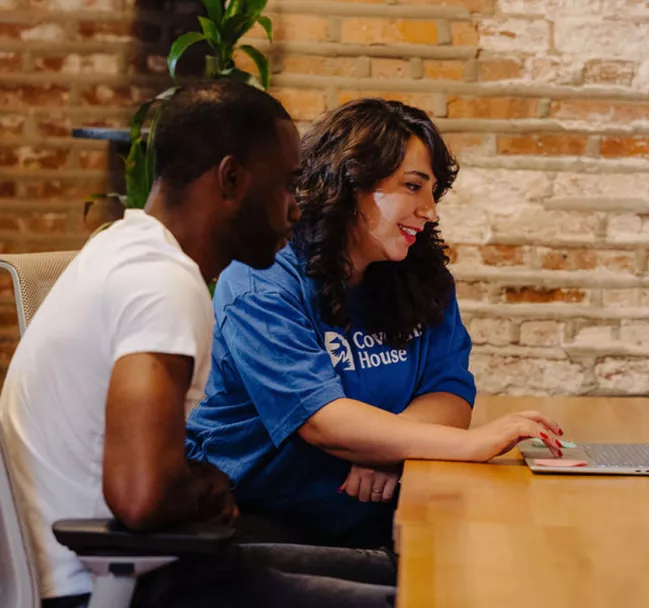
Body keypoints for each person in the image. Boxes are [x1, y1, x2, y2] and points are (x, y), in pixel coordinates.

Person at [0, 80, 396, 608]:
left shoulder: (124, 248)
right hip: (118, 580)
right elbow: (141, 496)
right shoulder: (160, 282)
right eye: (285, 186)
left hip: (149, 559)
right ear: (231, 179)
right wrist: (204, 486)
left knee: (411, 575)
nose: (296, 210)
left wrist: (196, 480)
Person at [185, 98, 566, 549]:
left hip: (380, 514)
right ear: (351, 182)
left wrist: (391, 447)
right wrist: (470, 444)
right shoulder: (260, 280)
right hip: (257, 519)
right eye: (412, 186)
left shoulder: (422, 277)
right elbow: (321, 420)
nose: (430, 210)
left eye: (432, 191)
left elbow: (450, 393)